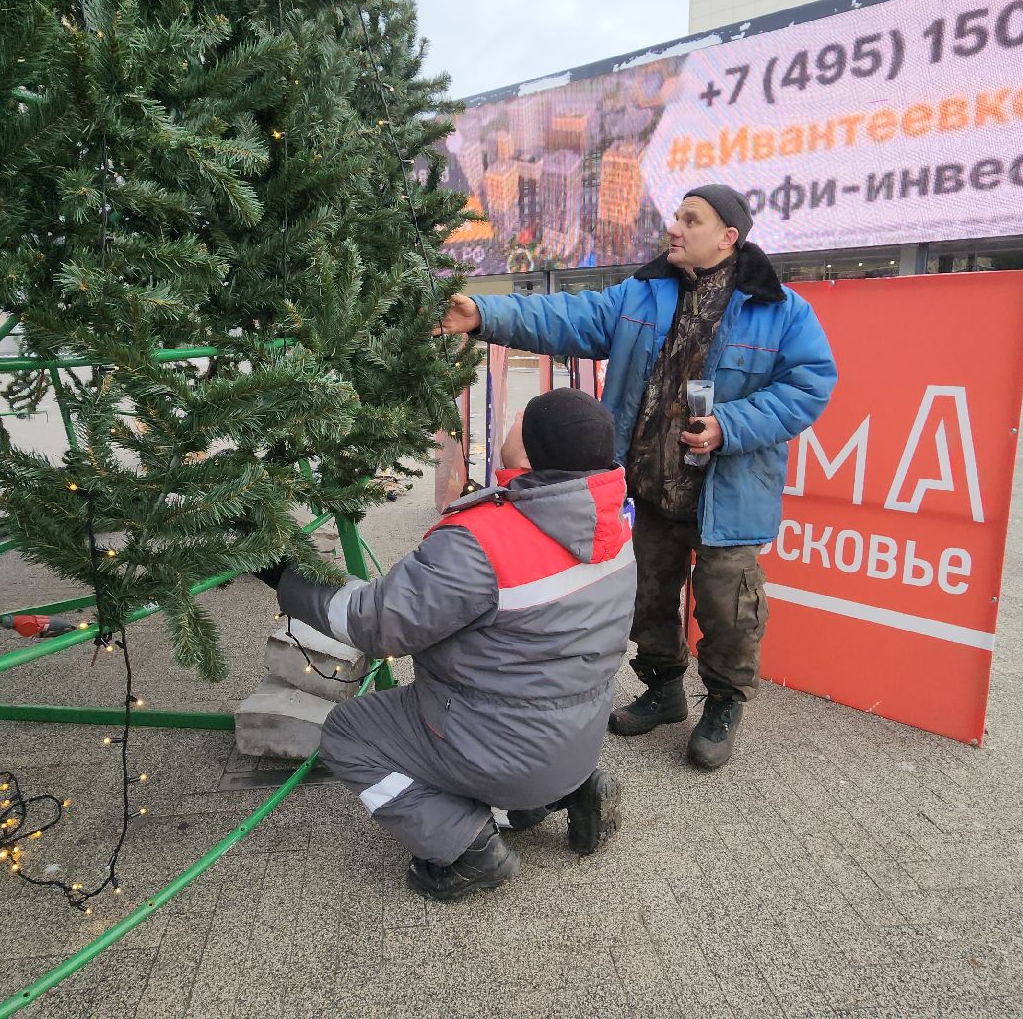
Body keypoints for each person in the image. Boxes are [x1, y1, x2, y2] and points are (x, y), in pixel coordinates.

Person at [436, 184, 836, 771]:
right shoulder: (642, 295)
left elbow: (810, 385)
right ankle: (663, 688)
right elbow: (565, 315)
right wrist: (484, 313)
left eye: (690, 219)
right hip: (645, 486)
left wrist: (731, 425)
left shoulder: (781, 311)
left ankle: (723, 702)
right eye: (676, 215)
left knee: (728, 606)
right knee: (645, 596)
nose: (673, 227)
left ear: (729, 237)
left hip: (727, 497)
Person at [256, 389, 636, 900]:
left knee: (348, 733)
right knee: (547, 684)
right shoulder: (613, 522)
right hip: (581, 738)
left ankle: (469, 846)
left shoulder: (482, 541)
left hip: (504, 753)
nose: (511, 420)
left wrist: (285, 574)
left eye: (520, 419)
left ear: (529, 454)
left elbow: (375, 623)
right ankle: (577, 789)